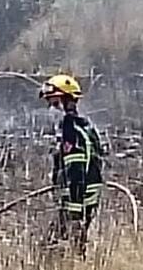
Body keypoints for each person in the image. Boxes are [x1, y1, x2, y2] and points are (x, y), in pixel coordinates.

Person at [38, 74, 103, 250]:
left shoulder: (71, 131)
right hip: (83, 203)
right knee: (68, 250)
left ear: (68, 102)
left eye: (54, 103)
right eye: (49, 104)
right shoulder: (84, 126)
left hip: (77, 204)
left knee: (53, 250)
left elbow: (76, 173)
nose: (52, 109)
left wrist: (74, 216)